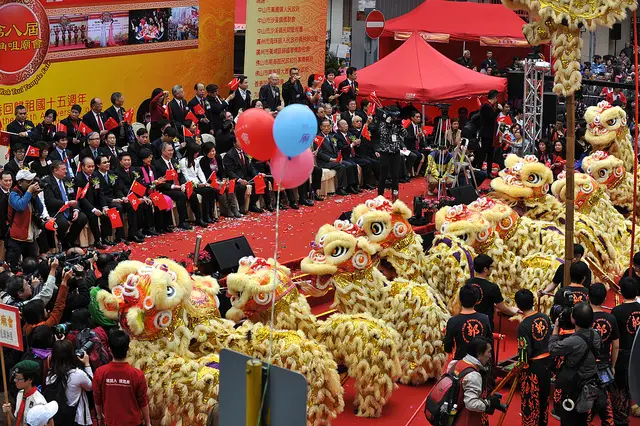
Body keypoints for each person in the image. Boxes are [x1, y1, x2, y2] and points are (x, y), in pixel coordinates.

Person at [549, 302, 601, 426]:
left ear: (573, 319)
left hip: (573, 387)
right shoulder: (596, 335)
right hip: (588, 383)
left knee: (568, 419)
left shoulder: (573, 341)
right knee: (582, 419)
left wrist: (556, 327)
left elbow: (552, 349)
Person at [93, 330, 151, 426]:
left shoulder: (100, 373)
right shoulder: (137, 375)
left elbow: (97, 399)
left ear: (109, 349)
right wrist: (148, 422)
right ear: (128, 348)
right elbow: (143, 401)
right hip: (134, 422)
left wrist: (100, 417)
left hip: (111, 422)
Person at [446, 337, 506, 425]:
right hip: (465, 420)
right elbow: (471, 403)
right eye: (488, 352)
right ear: (479, 353)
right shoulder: (473, 375)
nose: (490, 356)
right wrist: (488, 404)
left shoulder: (456, 364)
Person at [515, 289, 552, 426]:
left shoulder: (523, 325)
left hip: (533, 368)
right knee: (544, 399)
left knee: (530, 401)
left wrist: (520, 367)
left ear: (518, 306)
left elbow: (525, 352)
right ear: (533, 301)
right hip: (547, 365)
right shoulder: (545, 317)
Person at [610, 277, 640, 426]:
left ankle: (621, 418)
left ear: (620, 291)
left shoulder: (617, 311)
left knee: (620, 389)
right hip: (638, 352)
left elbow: (614, 338)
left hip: (623, 354)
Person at [95, 154, 144, 243]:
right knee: (118, 207)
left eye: (108, 162)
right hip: (103, 201)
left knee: (131, 204)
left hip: (115, 199)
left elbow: (117, 189)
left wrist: (122, 197)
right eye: (104, 162)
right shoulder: (95, 176)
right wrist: (112, 200)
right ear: (98, 165)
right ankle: (119, 236)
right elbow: (99, 194)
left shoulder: (111, 173)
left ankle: (132, 233)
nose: (107, 164)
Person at [588, 283, 618, 426]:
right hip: (604, 363)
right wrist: (613, 365)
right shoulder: (611, 319)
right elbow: (616, 345)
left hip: (587, 364)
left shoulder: (584, 317)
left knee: (586, 398)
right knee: (604, 400)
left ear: (588, 297)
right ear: (605, 298)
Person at [41, 161, 89, 250]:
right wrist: (66, 203)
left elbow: (73, 196)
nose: (66, 171)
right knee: (63, 224)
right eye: (63, 169)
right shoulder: (47, 181)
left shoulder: (67, 179)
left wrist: (76, 209)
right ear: (55, 170)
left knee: (82, 218)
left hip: (69, 208)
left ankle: (69, 241)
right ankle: (63, 244)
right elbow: (50, 201)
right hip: (56, 210)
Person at [154, 142, 203, 229]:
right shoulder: (157, 164)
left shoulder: (174, 161)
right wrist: (173, 186)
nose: (171, 152)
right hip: (167, 188)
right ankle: (182, 221)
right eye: (169, 150)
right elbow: (159, 182)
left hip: (179, 186)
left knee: (192, 193)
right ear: (163, 151)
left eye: (172, 150)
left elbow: (181, 176)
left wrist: (184, 184)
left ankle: (198, 218)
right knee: (181, 196)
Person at [45, 339, 93, 425]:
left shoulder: (50, 375)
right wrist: (87, 364)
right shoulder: (77, 374)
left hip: (59, 418)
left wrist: (59, 345)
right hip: (77, 419)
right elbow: (91, 386)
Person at [466, 255, 518, 331]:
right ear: (485, 269)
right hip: (484, 325)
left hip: (468, 322)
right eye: (491, 267)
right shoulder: (492, 287)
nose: (492, 269)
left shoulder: (468, 282)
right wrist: (515, 313)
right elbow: (502, 308)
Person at [6, 170, 46, 266]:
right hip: (17, 237)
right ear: (20, 182)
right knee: (13, 265)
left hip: (31, 235)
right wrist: (29, 192)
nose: (31, 184)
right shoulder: (13, 194)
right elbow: (20, 206)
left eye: (32, 181)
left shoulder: (30, 194)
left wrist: (35, 196)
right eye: (28, 182)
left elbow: (40, 210)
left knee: (32, 264)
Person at [444, 284, 493, 361]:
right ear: (477, 301)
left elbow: (447, 347)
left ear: (460, 300)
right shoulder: (485, 319)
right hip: (481, 362)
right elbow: (489, 341)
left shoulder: (453, 321)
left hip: (460, 364)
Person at [223, 139, 273, 213]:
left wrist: (257, 174)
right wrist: (239, 179)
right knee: (241, 187)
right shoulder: (229, 155)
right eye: (239, 141)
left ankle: (255, 204)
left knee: (262, 181)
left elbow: (250, 167)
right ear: (234, 143)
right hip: (236, 179)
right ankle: (242, 207)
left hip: (246, 176)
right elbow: (229, 171)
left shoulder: (244, 152)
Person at [75, 157, 113, 249]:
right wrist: (93, 209)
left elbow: (100, 193)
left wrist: (104, 206)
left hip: (95, 202)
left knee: (107, 211)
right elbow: (81, 198)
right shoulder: (78, 178)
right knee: (93, 216)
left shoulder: (95, 176)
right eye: (89, 167)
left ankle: (105, 237)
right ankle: (97, 240)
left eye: (92, 166)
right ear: (83, 167)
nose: (91, 169)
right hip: (84, 205)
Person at [22, 268, 72, 337]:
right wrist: (64, 281)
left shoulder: (26, 328)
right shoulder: (46, 325)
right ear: (39, 316)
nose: (46, 310)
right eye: (43, 309)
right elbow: (59, 306)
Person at [199, 142, 241, 218]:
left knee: (229, 186)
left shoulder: (218, 158)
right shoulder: (203, 161)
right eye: (210, 151)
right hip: (210, 181)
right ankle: (226, 210)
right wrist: (218, 182)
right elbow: (207, 174)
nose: (213, 153)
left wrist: (224, 179)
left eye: (214, 151)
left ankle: (234, 209)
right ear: (206, 152)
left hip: (220, 179)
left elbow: (222, 171)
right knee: (221, 189)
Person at [179, 144, 217, 223]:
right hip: (190, 185)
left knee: (211, 190)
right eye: (196, 152)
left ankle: (211, 214)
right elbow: (186, 176)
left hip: (198, 183)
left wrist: (204, 183)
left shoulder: (196, 160)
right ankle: (204, 216)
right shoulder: (183, 161)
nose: (197, 154)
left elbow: (200, 173)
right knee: (206, 192)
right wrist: (197, 184)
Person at [2, 360, 47, 426]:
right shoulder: (20, 394)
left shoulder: (39, 403)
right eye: (15, 378)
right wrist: (9, 412)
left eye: (18, 379)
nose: (15, 381)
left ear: (30, 380)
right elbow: (16, 422)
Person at [316, 119, 351, 196]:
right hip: (325, 162)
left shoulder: (332, 136)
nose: (326, 128)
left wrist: (339, 157)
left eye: (328, 126)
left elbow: (336, 149)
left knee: (349, 165)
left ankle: (350, 186)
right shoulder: (318, 138)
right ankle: (340, 188)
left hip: (334, 159)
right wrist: (331, 159)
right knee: (341, 166)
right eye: (324, 126)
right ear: (321, 127)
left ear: (331, 127)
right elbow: (319, 153)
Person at [474, 90, 500, 172]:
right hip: (486, 134)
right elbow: (490, 119)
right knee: (484, 152)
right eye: (497, 97)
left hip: (491, 134)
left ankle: (489, 171)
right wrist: (498, 110)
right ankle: (479, 169)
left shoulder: (490, 106)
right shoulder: (486, 106)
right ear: (494, 97)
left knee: (490, 154)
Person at [335, 119, 363, 193]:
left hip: (352, 156)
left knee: (361, 163)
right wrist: (352, 144)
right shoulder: (337, 136)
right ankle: (350, 186)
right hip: (344, 156)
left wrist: (357, 143)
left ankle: (356, 185)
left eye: (346, 124)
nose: (346, 126)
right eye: (343, 125)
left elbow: (355, 143)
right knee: (352, 165)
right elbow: (341, 148)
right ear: (339, 127)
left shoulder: (349, 134)